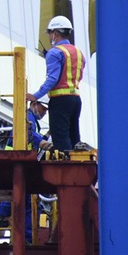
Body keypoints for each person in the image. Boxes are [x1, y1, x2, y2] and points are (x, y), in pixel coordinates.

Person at [0, 100, 52, 242]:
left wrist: (47, 135)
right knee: (22, 197)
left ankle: (27, 238)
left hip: (21, 162)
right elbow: (28, 131)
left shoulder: (31, 119)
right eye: (43, 109)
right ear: (34, 105)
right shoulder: (27, 116)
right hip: (17, 161)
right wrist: (42, 142)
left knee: (26, 199)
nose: (44, 113)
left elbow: (31, 137)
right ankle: (1, 213)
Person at [27, 15, 86, 152]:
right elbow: (79, 75)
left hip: (60, 100)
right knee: (74, 136)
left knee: (60, 137)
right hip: (76, 99)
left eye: (49, 34)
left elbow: (52, 79)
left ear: (55, 34)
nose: (49, 37)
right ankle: (75, 162)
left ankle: (66, 167)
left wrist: (35, 96)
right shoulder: (78, 52)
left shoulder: (55, 52)